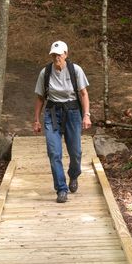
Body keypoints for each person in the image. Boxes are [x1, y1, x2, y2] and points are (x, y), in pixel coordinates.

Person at [33, 40, 91, 202]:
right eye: (54, 55)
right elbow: (39, 97)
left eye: (59, 54)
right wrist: (36, 120)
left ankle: (74, 175)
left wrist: (86, 114)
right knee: (54, 152)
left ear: (66, 54)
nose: (56, 57)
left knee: (76, 152)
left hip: (72, 112)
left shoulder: (75, 70)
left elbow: (84, 94)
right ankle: (61, 189)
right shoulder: (45, 72)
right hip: (52, 113)